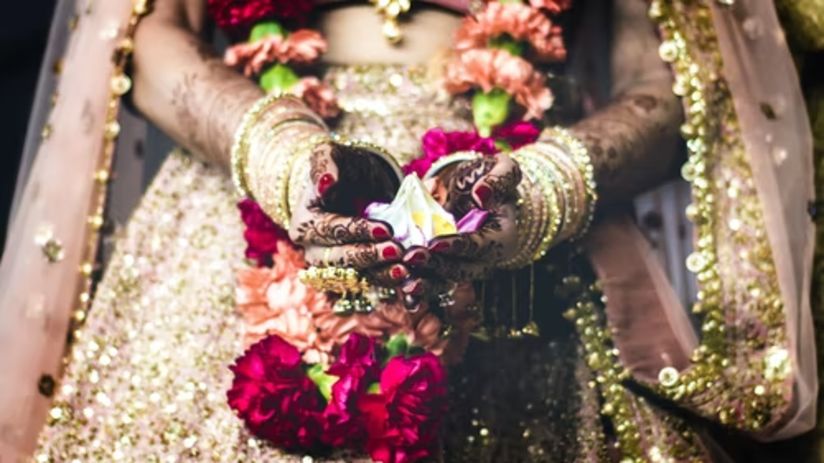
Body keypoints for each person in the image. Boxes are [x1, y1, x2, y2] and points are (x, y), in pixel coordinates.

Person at [0, 0, 817, 461]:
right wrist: (287, 160)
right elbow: (147, 41)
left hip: (522, 246)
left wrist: (536, 192)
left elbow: (673, 83)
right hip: (234, 206)